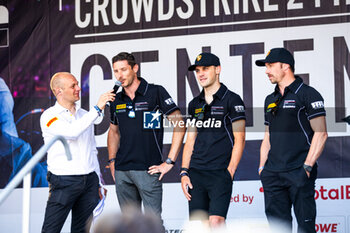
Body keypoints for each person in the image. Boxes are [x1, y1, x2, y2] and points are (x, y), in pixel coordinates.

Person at [255, 48, 328, 233]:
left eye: (270, 65)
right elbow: (267, 136)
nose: (267, 70)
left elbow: (321, 133)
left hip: (299, 171)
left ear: (285, 66)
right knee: (278, 229)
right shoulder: (269, 99)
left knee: (305, 228)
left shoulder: (308, 94)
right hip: (272, 174)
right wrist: (263, 168)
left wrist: (307, 167)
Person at [107, 52, 185, 219]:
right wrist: (112, 161)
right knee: (130, 226)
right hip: (122, 171)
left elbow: (180, 124)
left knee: (153, 226)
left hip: (148, 170)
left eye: (123, 69)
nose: (120, 75)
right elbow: (113, 132)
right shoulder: (115, 99)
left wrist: (169, 161)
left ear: (135, 68)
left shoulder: (155, 92)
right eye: (116, 71)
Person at [40, 72, 115, 233]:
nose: (78, 88)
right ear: (59, 91)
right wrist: (97, 108)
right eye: (73, 86)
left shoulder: (83, 115)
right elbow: (72, 132)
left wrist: (99, 182)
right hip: (63, 181)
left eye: (77, 84)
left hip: (89, 181)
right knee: (51, 229)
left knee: (82, 230)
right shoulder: (49, 116)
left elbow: (92, 150)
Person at [180, 52, 246, 228]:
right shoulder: (195, 104)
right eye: (198, 70)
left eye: (206, 69)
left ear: (218, 69)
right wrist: (184, 172)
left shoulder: (232, 99)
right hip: (196, 172)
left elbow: (240, 139)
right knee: (199, 226)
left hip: (220, 172)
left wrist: (230, 171)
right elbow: (190, 140)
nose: (200, 73)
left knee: (216, 222)